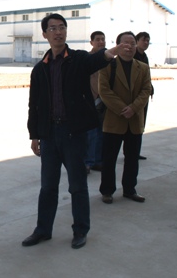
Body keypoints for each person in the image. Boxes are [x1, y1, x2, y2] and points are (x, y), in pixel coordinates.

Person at [22, 14, 122, 250]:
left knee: (77, 186)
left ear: (66, 32)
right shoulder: (40, 69)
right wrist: (34, 135)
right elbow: (34, 105)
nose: (58, 32)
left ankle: (80, 230)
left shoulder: (78, 59)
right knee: (48, 187)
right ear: (45, 34)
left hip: (72, 134)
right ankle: (43, 230)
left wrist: (110, 52)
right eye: (53, 28)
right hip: (49, 135)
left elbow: (96, 60)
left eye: (62, 27)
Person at [98, 31, 152, 204]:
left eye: (133, 43)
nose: (129, 47)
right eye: (125, 43)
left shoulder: (143, 67)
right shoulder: (108, 66)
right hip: (114, 119)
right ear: (118, 45)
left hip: (135, 120)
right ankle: (107, 191)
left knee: (132, 159)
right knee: (109, 158)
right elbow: (104, 91)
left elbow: (146, 90)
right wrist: (123, 109)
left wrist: (134, 108)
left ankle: (130, 189)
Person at [85, 30, 106, 173]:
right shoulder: (86, 59)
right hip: (90, 101)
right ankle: (87, 162)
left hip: (105, 102)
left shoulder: (109, 59)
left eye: (102, 39)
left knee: (102, 133)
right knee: (90, 134)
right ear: (91, 42)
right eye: (97, 39)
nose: (100, 42)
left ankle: (98, 161)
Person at [133, 31, 155, 160]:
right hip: (135, 95)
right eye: (144, 40)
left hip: (144, 94)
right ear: (137, 41)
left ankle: (135, 151)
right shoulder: (133, 55)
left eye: (148, 41)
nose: (146, 43)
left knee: (140, 124)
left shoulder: (144, 56)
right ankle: (130, 151)